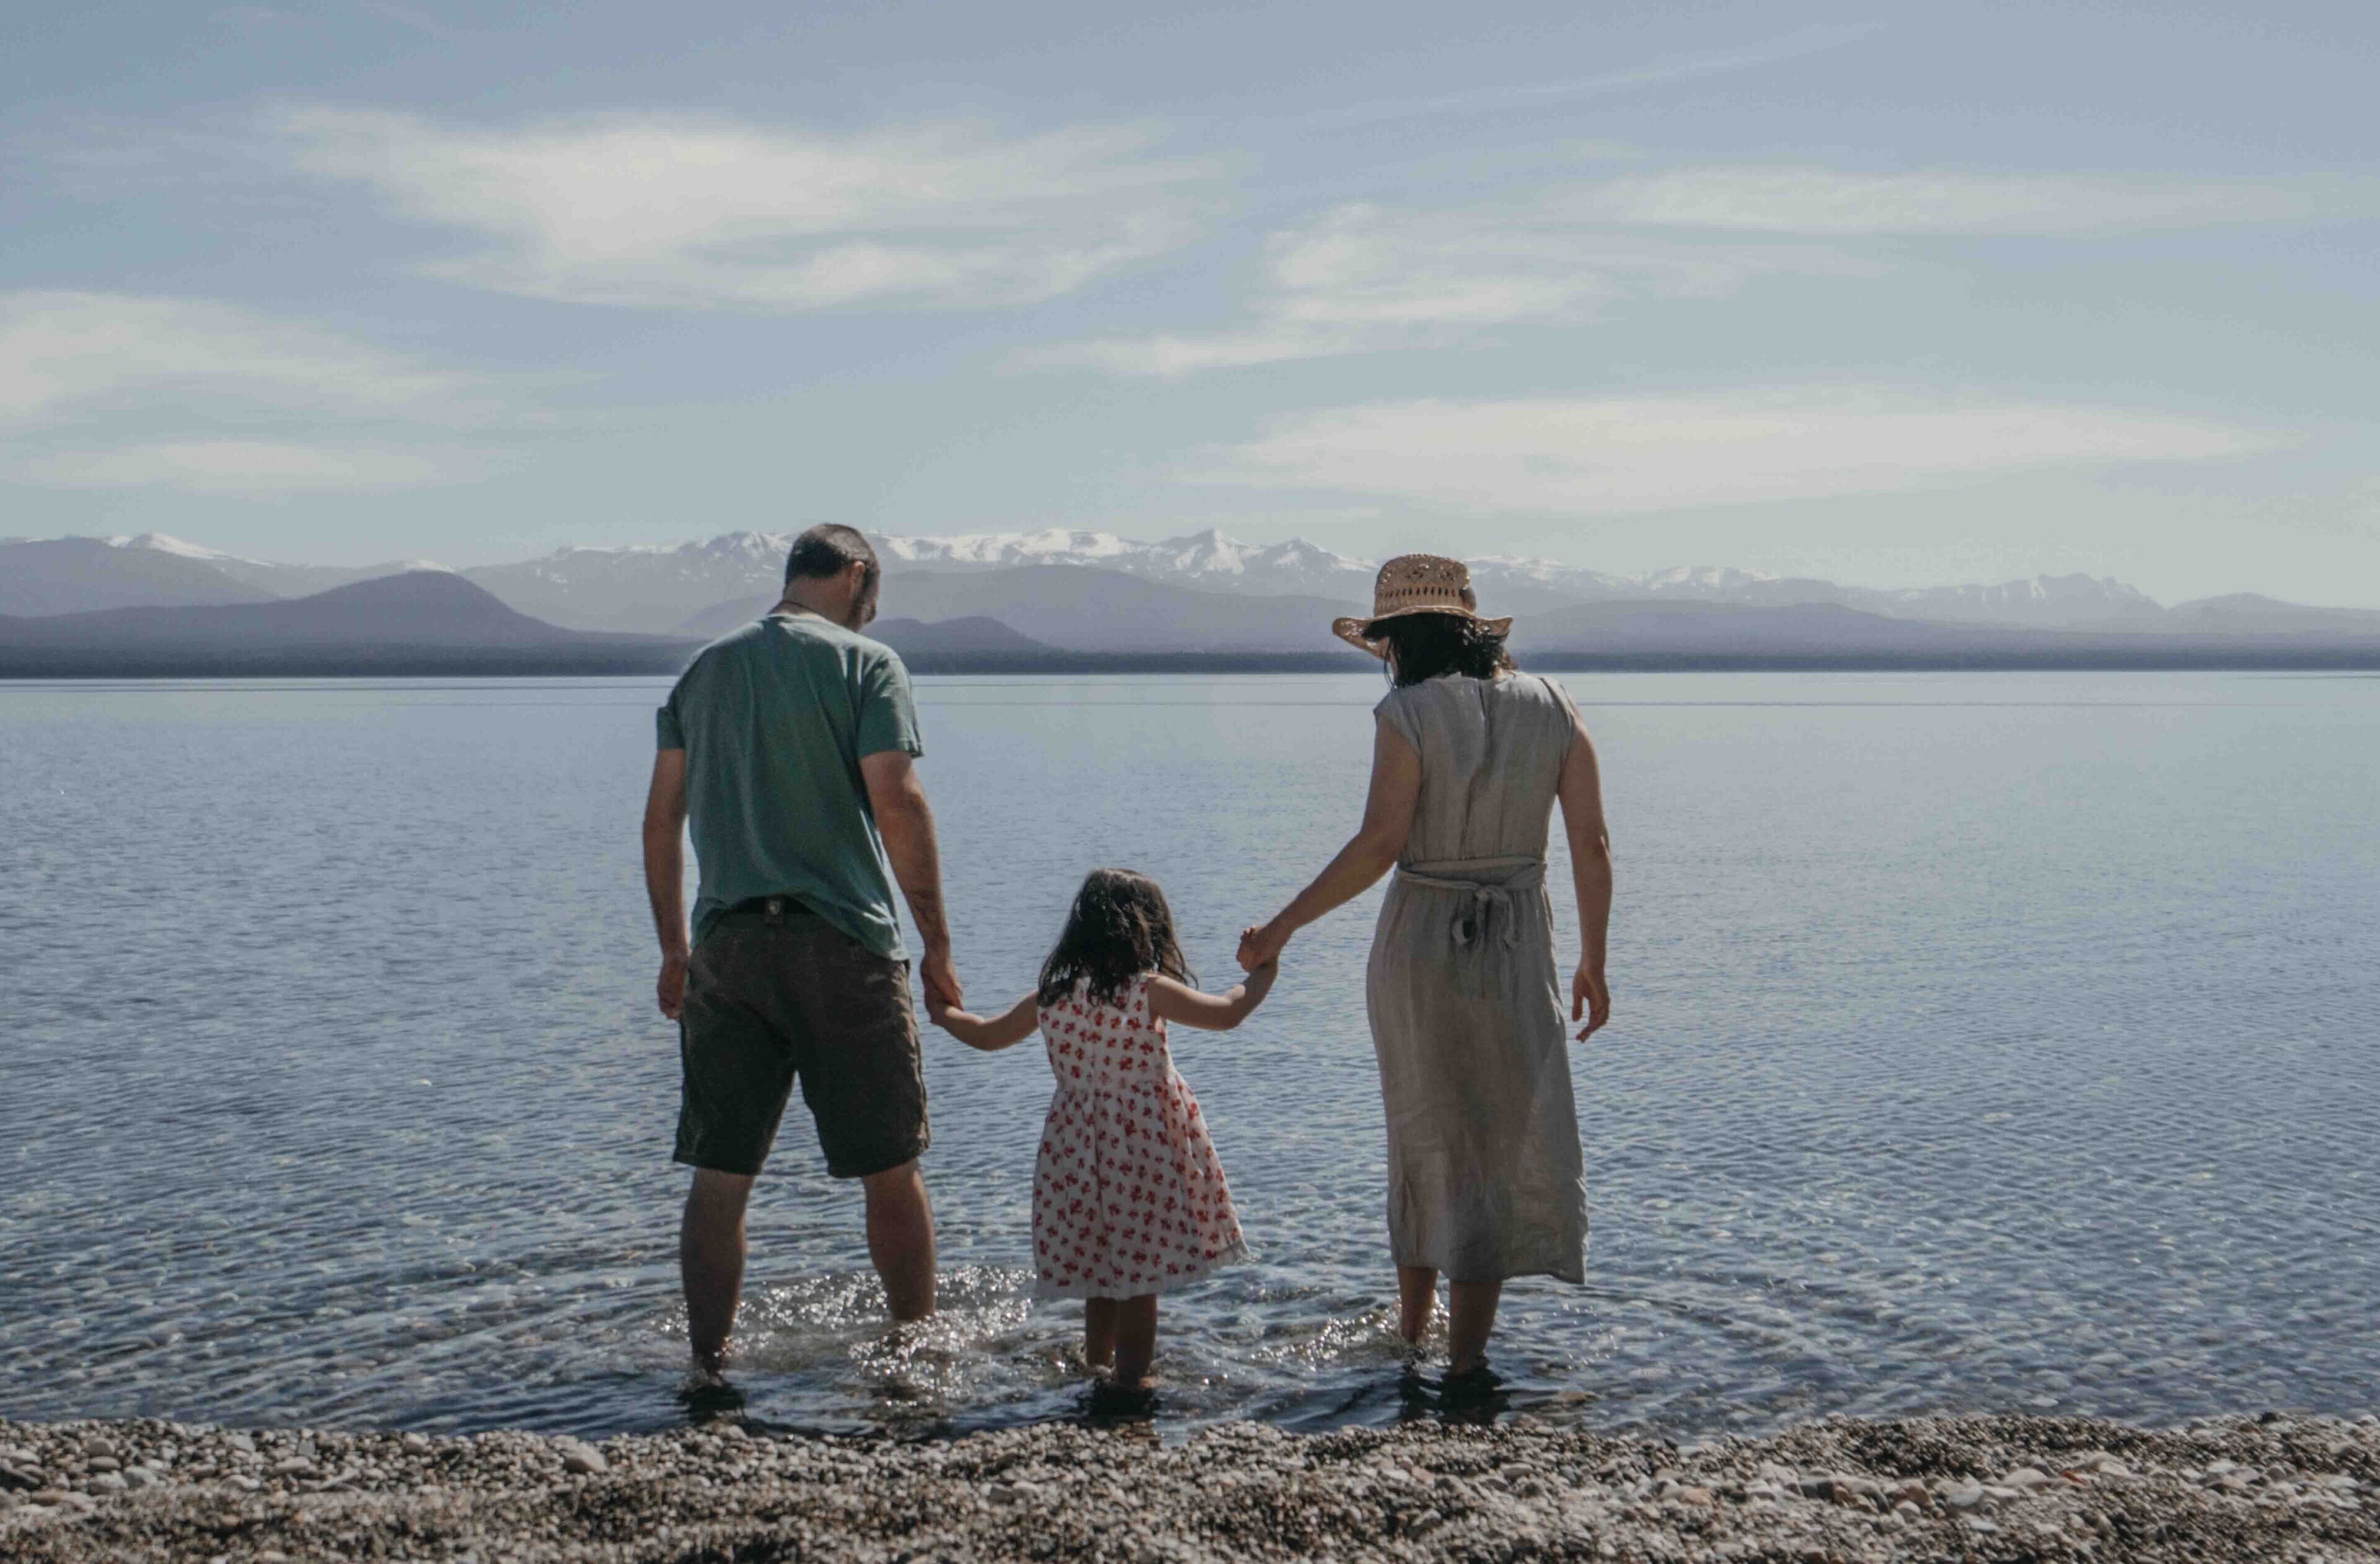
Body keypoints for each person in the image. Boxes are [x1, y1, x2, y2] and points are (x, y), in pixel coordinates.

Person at [1236, 553, 1613, 1386]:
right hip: (1521, 948)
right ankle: (1468, 1359)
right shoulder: (1556, 707)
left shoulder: (1406, 713)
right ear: (1473, 629)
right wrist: (1595, 959)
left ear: (1400, 640)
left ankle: (1414, 1335)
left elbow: (1381, 844)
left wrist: (1285, 926)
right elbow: (1592, 842)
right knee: (1494, 1146)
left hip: (1420, 945)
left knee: (1422, 1136)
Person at [641, 523, 963, 1379]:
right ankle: (916, 1359)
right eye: (874, 596)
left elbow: (660, 820)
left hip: (728, 948)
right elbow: (898, 802)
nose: (871, 613)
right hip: (844, 941)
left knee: (719, 1176)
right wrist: (937, 943)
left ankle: (708, 1367)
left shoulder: (703, 672)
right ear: (856, 576)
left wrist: (674, 949)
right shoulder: (867, 665)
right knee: (891, 1169)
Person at [928, 869, 1270, 1390]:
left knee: (1102, 1274)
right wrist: (1267, 968)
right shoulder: (1146, 991)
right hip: (1143, 1149)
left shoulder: (1051, 998)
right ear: (1146, 932)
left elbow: (987, 1035)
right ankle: (1134, 1385)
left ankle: (1096, 1369)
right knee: (1141, 1280)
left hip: (1075, 1152)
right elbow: (1228, 1013)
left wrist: (945, 1014)